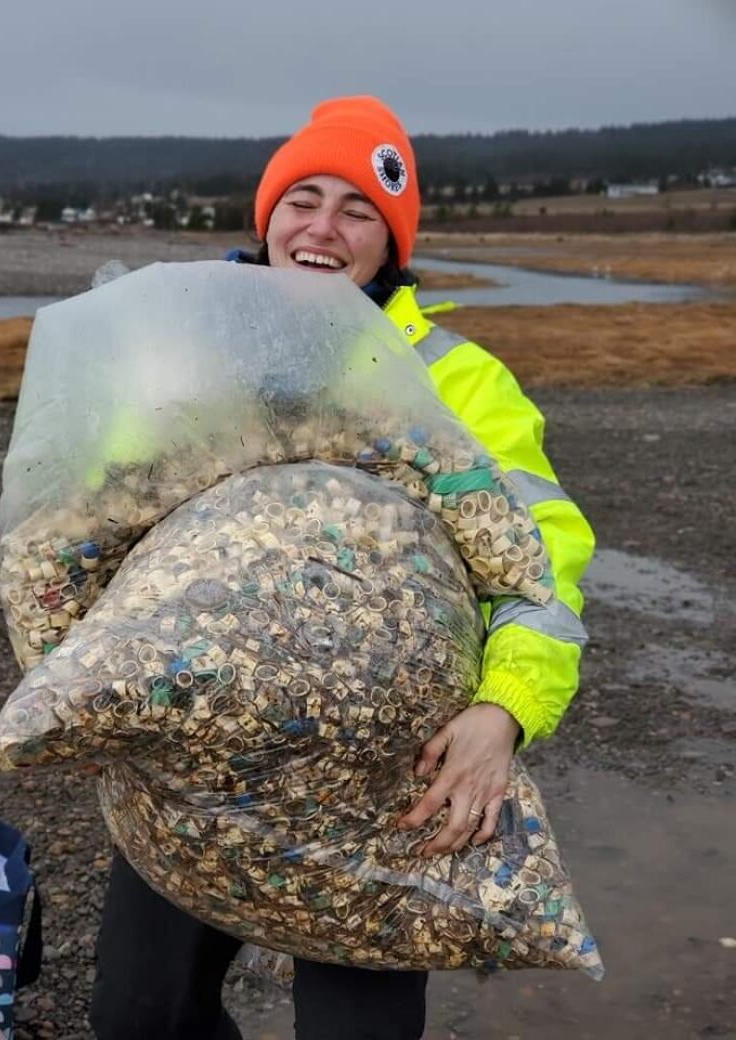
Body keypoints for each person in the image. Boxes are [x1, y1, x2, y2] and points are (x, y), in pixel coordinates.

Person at [90, 96, 594, 1040]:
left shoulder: (458, 381)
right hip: (196, 763)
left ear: (390, 239)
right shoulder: (177, 361)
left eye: (358, 209)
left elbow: (543, 571)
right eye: (302, 200)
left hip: (378, 778)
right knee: (138, 1018)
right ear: (266, 217)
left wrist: (504, 711)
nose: (323, 228)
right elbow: (92, 537)